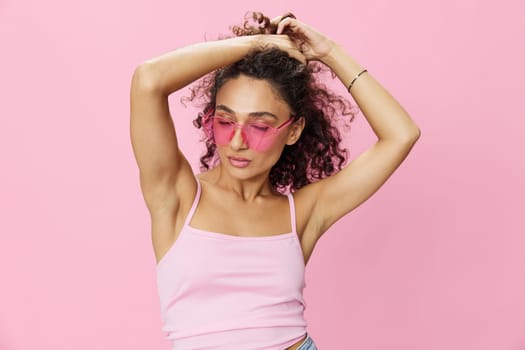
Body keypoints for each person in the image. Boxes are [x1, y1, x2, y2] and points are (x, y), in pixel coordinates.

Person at [130, 12, 420, 350]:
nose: (237, 141)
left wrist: (328, 52)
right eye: (225, 121)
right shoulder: (177, 196)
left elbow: (401, 134)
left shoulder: (304, 211)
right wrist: (258, 44)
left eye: (260, 126)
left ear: (294, 130)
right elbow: (147, 80)